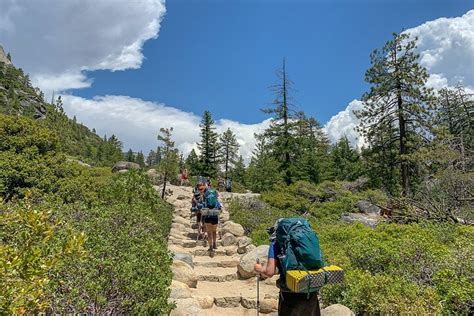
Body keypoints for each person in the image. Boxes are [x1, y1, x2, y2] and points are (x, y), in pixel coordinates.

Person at [254, 220, 321, 316]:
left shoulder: (276, 243)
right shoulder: (307, 240)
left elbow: (269, 272)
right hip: (311, 290)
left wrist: (260, 268)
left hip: (290, 293)